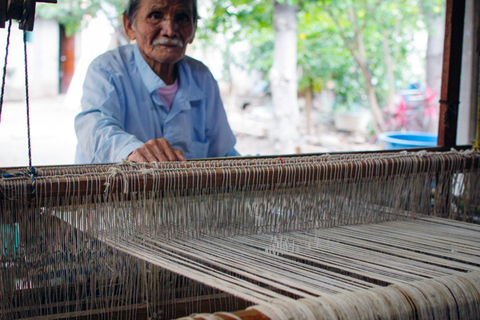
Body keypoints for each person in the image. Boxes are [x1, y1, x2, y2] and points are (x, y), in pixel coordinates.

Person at [74, 0, 239, 163]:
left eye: (182, 18)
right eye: (155, 16)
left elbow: (223, 152)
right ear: (129, 25)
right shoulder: (107, 70)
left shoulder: (202, 78)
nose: (170, 30)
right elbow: (95, 129)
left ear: (194, 29)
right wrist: (131, 151)